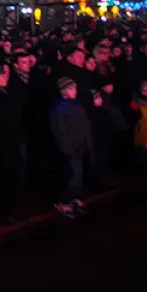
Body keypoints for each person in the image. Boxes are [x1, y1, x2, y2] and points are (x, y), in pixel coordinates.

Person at [50, 77, 93, 218]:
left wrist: (88, 142)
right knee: (71, 174)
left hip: (79, 145)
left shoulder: (77, 104)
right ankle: (64, 201)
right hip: (70, 147)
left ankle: (75, 197)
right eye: (70, 88)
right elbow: (60, 131)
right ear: (63, 91)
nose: (74, 91)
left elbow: (85, 124)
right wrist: (67, 147)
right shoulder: (60, 107)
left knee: (78, 173)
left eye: (75, 88)